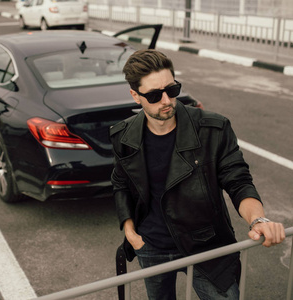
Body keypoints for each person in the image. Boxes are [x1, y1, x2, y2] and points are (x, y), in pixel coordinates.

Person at [109, 49, 285, 300]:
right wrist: (130, 232)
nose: (167, 100)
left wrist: (258, 220)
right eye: (154, 95)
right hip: (152, 247)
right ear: (135, 96)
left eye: (172, 89)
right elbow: (121, 183)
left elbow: (238, 181)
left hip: (207, 248)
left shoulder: (213, 129)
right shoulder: (124, 136)